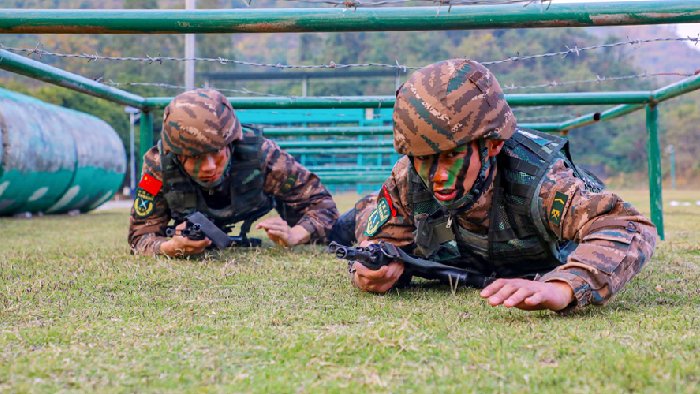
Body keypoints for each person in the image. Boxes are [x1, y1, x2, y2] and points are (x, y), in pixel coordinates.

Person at [339, 59, 657, 313]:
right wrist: (370, 267)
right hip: (455, 252)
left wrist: (563, 287)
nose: (436, 175)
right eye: (423, 158)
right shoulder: (407, 177)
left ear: (491, 145)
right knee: (343, 225)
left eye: (450, 156)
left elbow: (628, 226)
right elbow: (377, 239)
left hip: (524, 249)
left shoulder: (542, 181)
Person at [128, 88, 338, 257]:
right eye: (196, 157)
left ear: (231, 143)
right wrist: (169, 247)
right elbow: (140, 236)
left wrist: (295, 235)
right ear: (177, 154)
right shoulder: (158, 167)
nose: (209, 166)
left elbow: (323, 207)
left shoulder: (263, 156)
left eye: (217, 152)